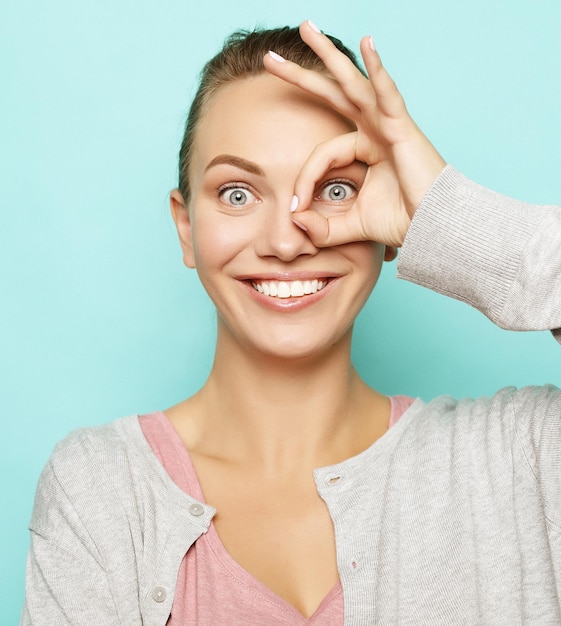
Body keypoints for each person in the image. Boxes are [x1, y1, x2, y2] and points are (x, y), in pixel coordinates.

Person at [21, 20, 560, 626]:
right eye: (237, 194)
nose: (284, 241)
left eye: (334, 190)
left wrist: (446, 217)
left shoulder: (522, 459)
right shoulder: (100, 491)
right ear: (184, 227)